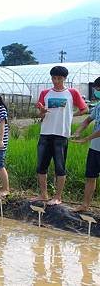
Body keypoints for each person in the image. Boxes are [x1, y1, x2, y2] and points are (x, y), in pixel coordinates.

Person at [32, 66, 88, 205]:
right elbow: (39, 114)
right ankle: (44, 194)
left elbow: (84, 109)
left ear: (64, 78)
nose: (56, 81)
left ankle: (58, 196)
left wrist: (70, 114)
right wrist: (43, 111)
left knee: (60, 167)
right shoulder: (45, 93)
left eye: (59, 78)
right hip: (45, 133)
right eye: (54, 78)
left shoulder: (72, 93)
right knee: (41, 166)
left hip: (61, 134)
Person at [71, 77, 100, 212]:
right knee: (90, 177)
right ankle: (85, 205)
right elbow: (87, 120)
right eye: (96, 89)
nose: (96, 92)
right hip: (95, 149)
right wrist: (77, 132)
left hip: (94, 143)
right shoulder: (98, 107)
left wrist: (86, 139)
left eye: (98, 89)